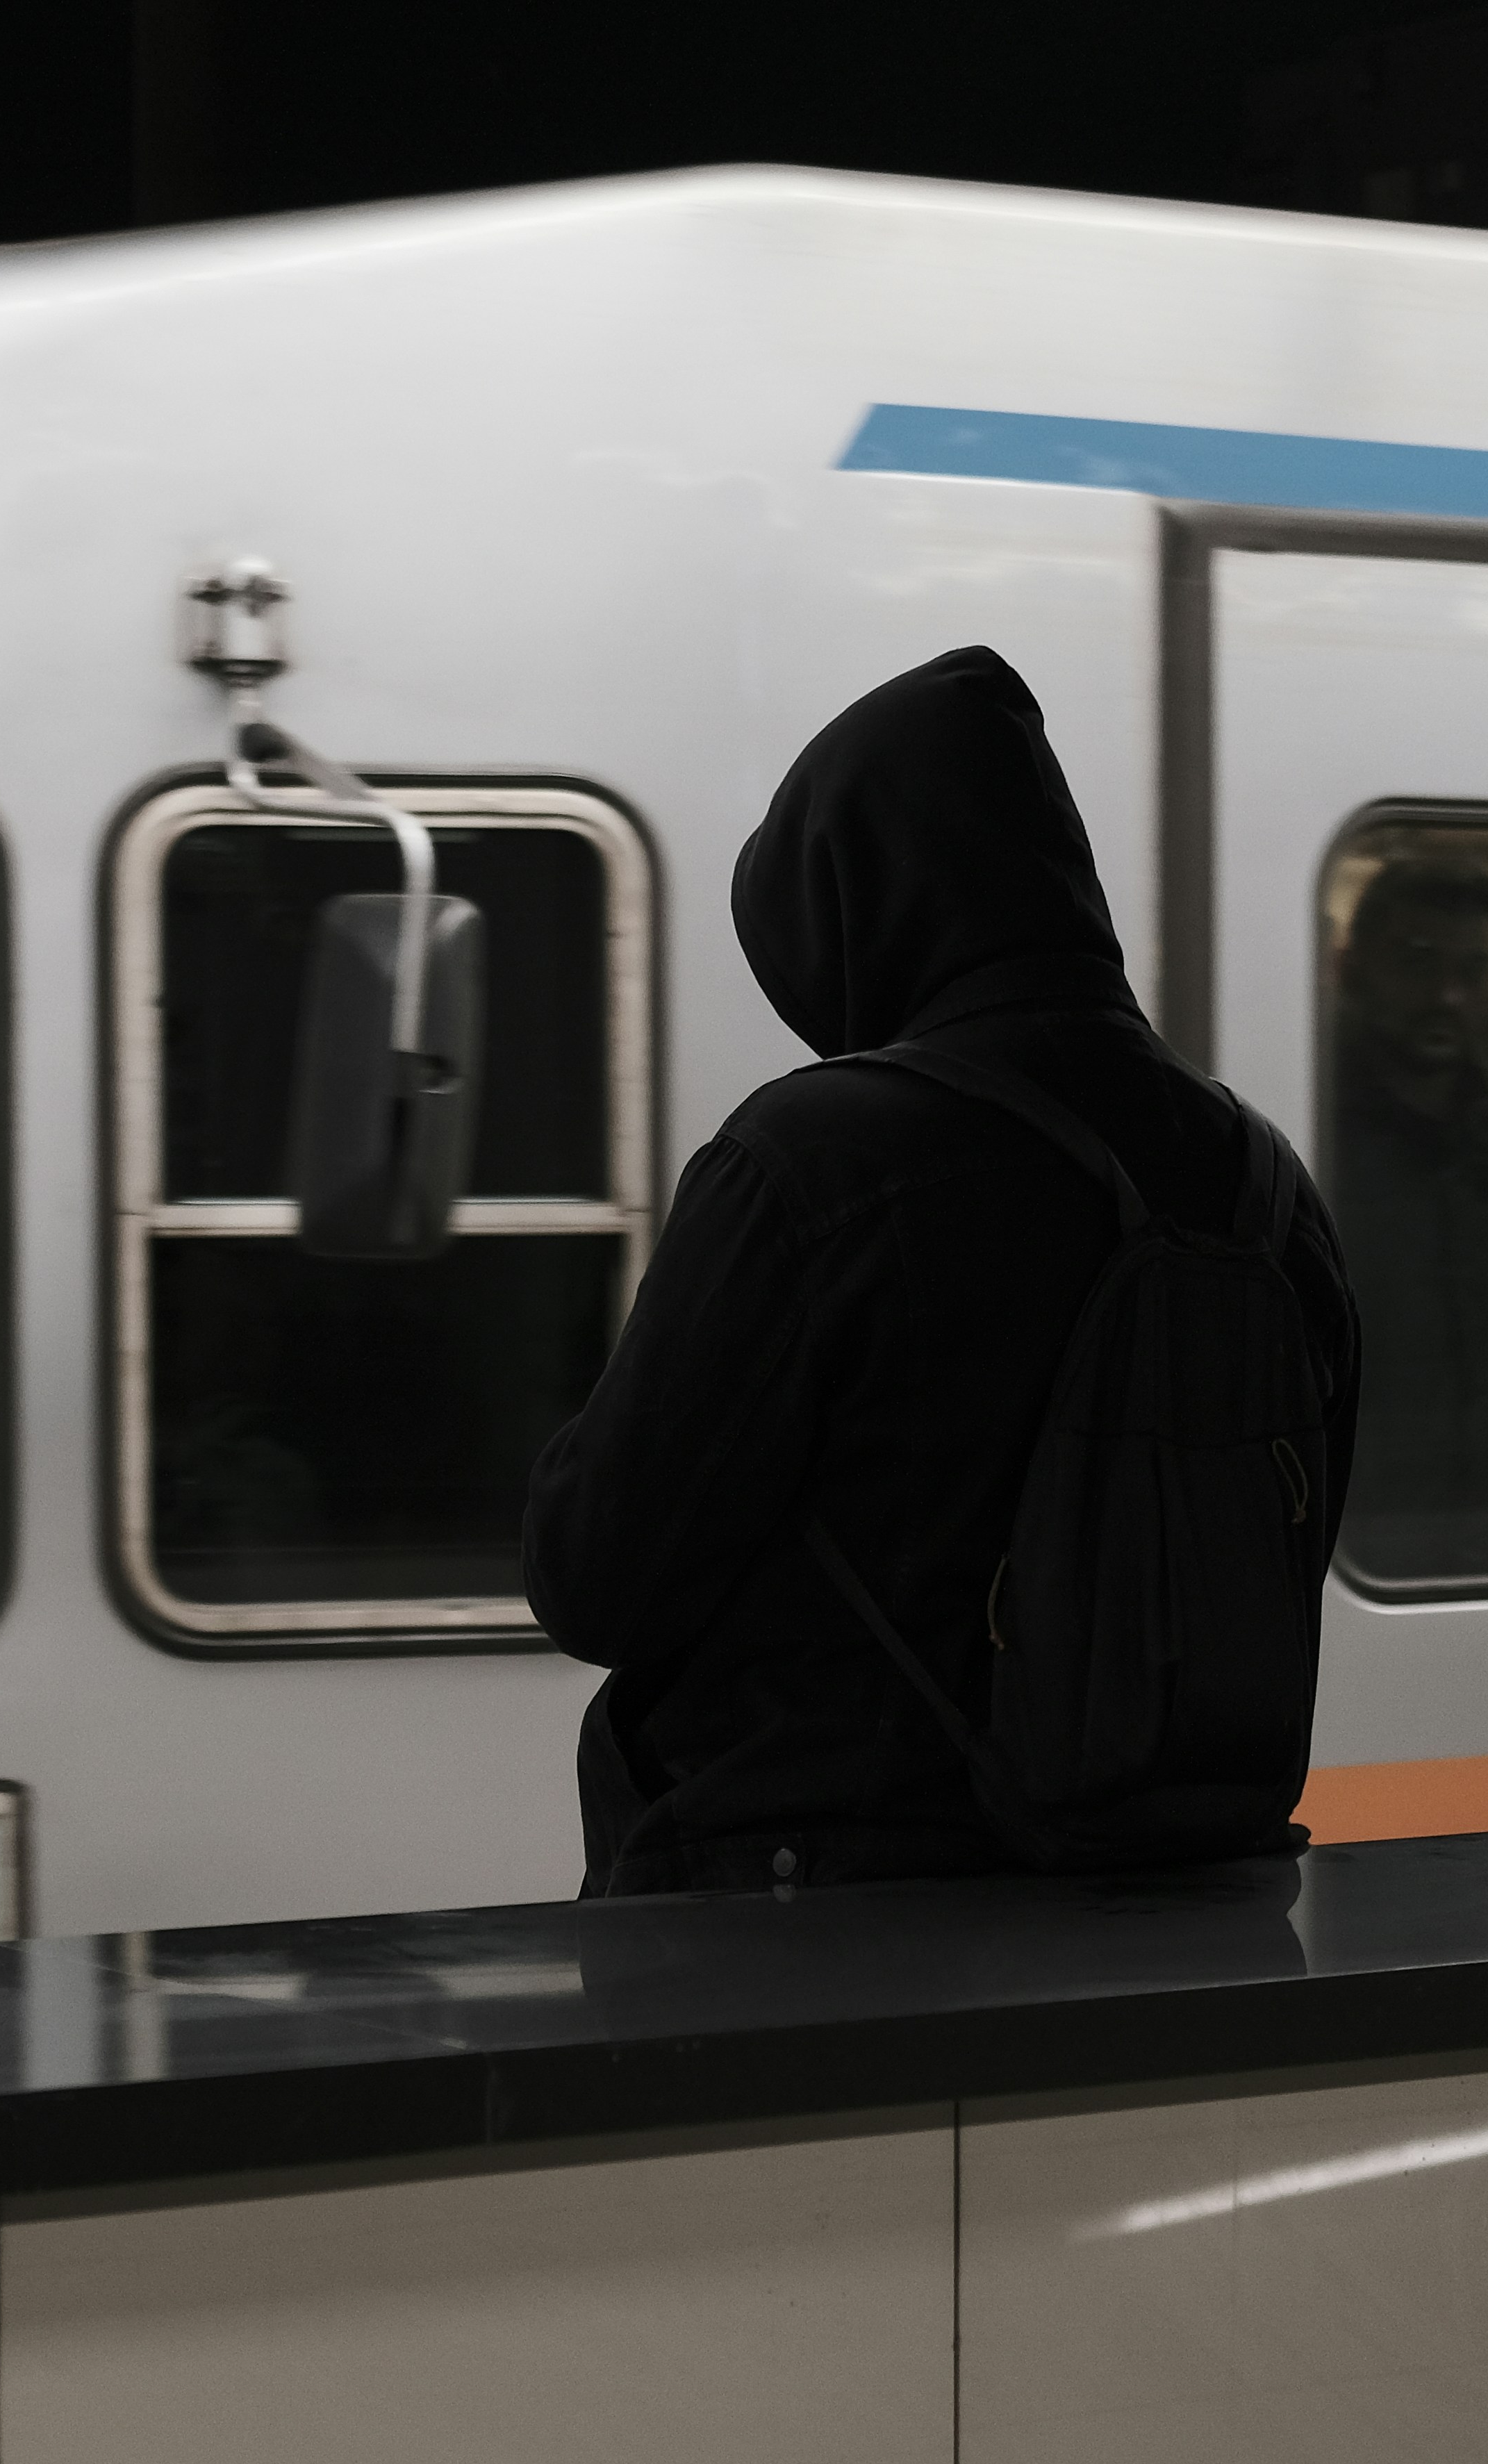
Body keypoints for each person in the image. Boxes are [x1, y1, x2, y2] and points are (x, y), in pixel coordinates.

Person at [522, 645, 1359, 1894]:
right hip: (1192, 1915)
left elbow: (600, 1579)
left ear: (852, 915)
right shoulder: (1264, 1191)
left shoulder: (812, 1165)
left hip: (815, 1930)